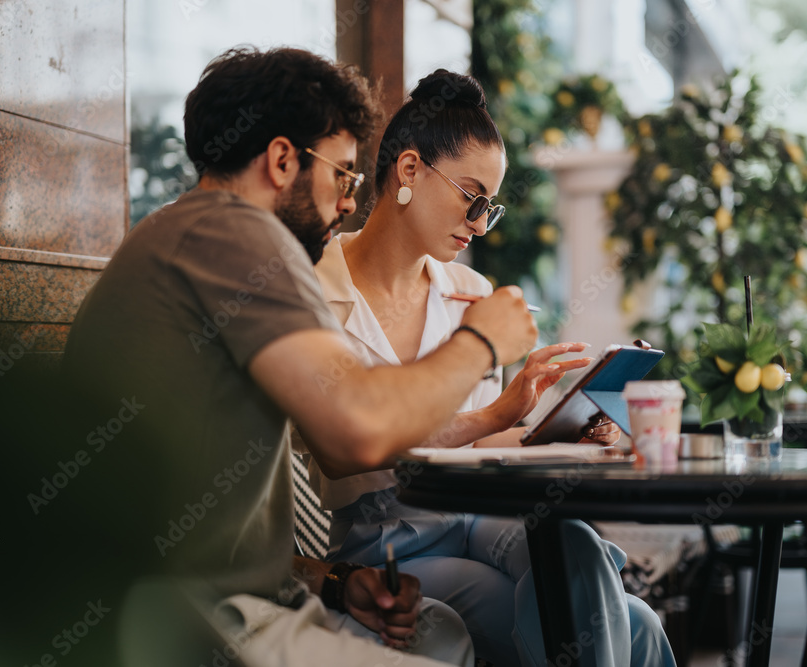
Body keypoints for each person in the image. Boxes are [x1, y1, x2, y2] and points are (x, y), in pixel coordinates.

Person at [63, 47, 539, 667]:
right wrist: (481, 342)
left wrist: (334, 581)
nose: (347, 203)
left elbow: (210, 540)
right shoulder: (232, 232)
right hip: (176, 618)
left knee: (443, 632)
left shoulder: (188, 234)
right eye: (342, 175)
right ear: (283, 160)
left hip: (216, 597)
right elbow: (354, 433)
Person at [306, 69, 676, 667]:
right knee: (627, 623)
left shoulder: (471, 293)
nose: (480, 223)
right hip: (388, 538)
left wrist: (556, 431)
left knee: (578, 546)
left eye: (490, 207)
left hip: (480, 516)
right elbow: (348, 448)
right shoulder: (315, 289)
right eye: (472, 198)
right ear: (408, 170)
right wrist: (497, 414)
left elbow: (478, 442)